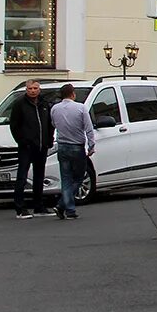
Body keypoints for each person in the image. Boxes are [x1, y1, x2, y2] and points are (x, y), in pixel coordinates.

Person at [7, 80, 54, 219]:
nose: (33, 91)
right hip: (26, 147)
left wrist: (49, 140)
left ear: (39, 89)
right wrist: (22, 141)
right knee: (22, 176)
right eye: (30, 88)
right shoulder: (19, 104)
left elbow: (49, 124)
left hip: (42, 145)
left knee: (39, 176)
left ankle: (39, 207)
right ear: (26, 90)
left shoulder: (44, 104)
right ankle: (20, 208)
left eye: (35, 88)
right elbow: (14, 125)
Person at [49, 84, 95, 220]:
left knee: (66, 178)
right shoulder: (80, 108)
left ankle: (68, 208)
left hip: (62, 146)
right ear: (72, 94)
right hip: (77, 146)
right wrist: (91, 145)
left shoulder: (55, 109)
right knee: (79, 177)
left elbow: (53, 124)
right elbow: (89, 128)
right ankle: (64, 205)